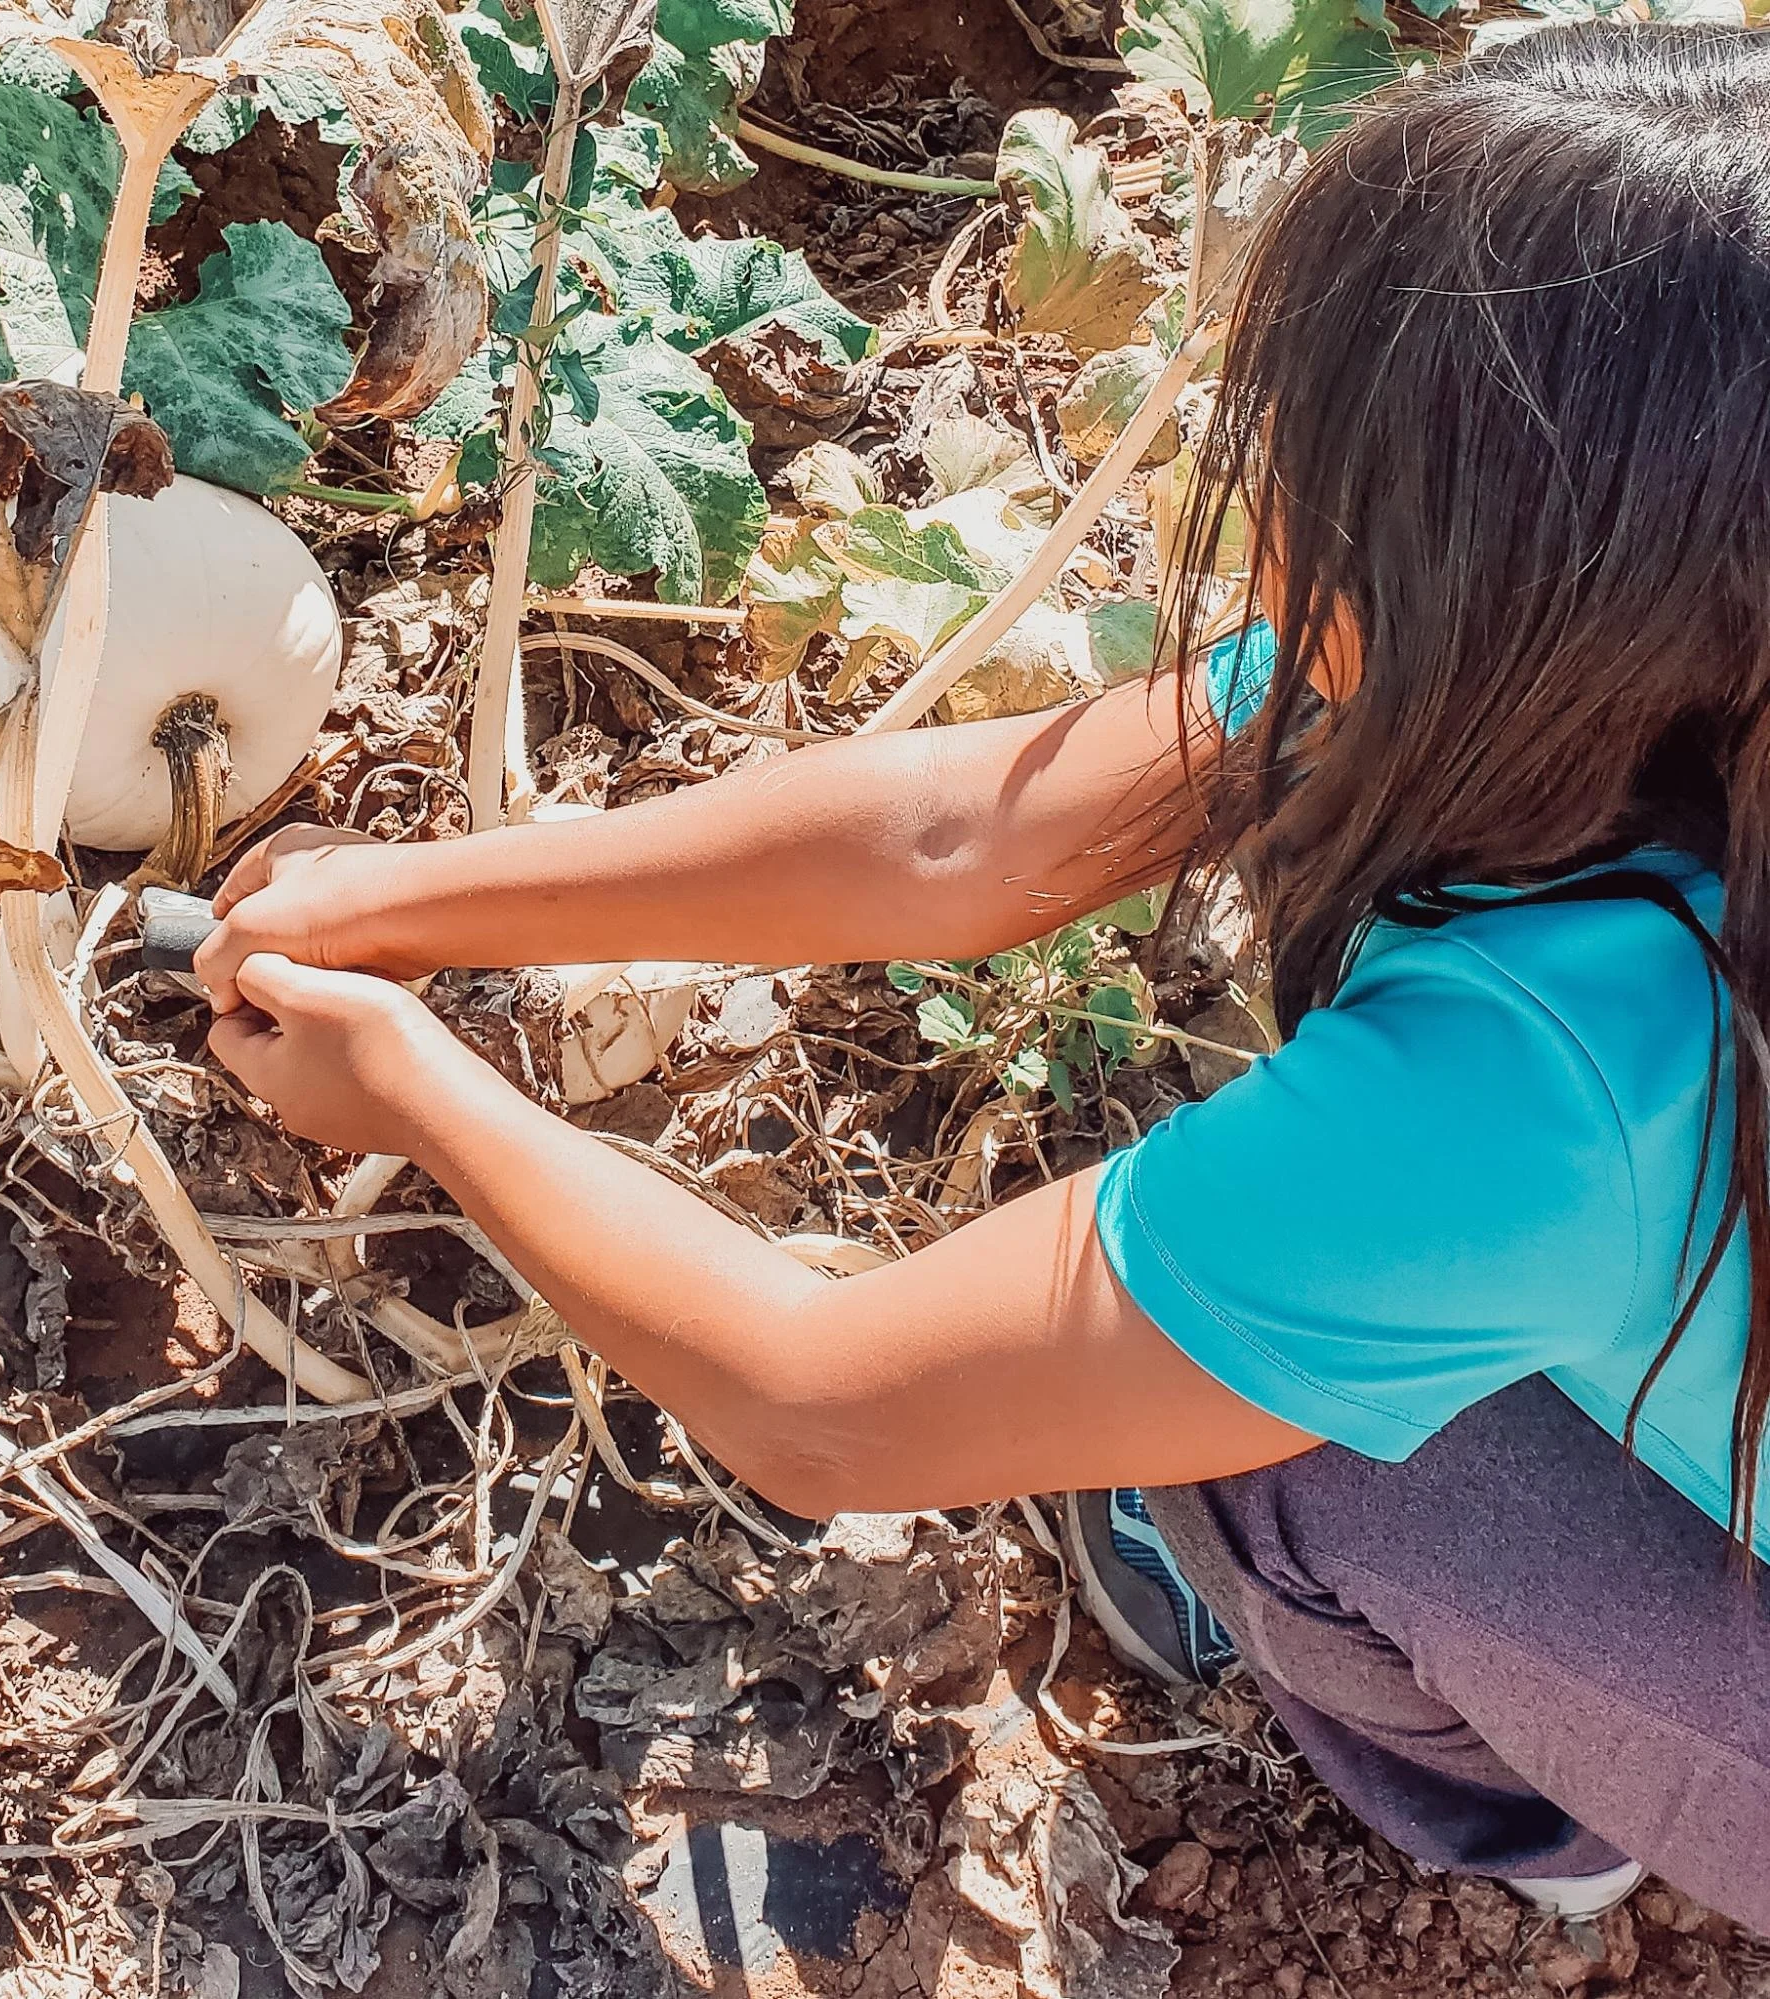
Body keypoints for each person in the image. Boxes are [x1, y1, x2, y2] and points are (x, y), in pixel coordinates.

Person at [194, 22, 1770, 1932]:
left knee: (1288, 1463)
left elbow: (823, 1405)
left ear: (1506, 576)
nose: (1236, 462)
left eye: (1292, 439)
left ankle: (1549, 1822)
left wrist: (419, 1092)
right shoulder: (1599, 673)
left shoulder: (1536, 1093)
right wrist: (410, 896)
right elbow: (963, 837)